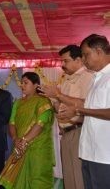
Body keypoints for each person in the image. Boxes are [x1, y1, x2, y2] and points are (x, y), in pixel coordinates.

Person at [58, 34, 110, 189]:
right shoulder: (97, 78)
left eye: (86, 55)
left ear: (99, 52)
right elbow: (87, 105)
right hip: (89, 151)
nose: (84, 60)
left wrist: (79, 110)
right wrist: (73, 108)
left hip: (104, 154)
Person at [39, 45, 94, 189]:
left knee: (79, 178)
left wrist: (58, 95)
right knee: (69, 178)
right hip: (66, 133)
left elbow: (86, 105)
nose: (62, 65)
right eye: (61, 61)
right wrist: (54, 100)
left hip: (80, 131)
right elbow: (61, 108)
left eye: (66, 61)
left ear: (78, 60)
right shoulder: (66, 80)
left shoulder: (88, 77)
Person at [0, 72, 54, 189]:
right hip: (19, 146)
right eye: (21, 83)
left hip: (38, 148)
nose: (22, 85)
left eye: (26, 83)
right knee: (17, 179)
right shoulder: (18, 103)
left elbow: (40, 124)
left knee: (37, 179)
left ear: (36, 85)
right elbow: (12, 123)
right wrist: (15, 139)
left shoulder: (43, 102)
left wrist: (24, 141)